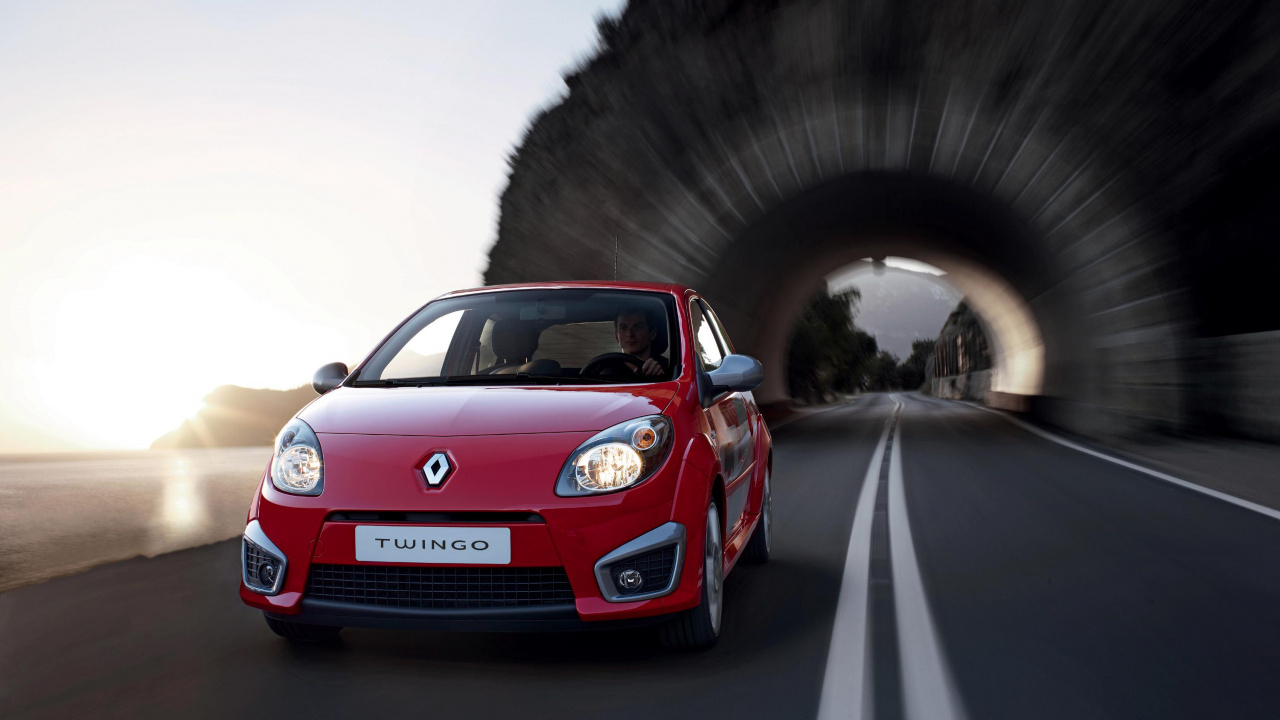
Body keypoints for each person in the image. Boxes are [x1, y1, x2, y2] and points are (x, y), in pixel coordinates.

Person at [615, 307, 670, 377]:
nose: (630, 334)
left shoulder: (669, 367)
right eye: (623, 328)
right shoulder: (606, 367)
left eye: (638, 327)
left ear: (652, 334)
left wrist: (661, 377)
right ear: (617, 336)